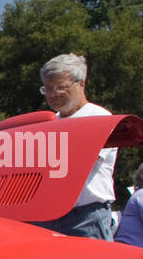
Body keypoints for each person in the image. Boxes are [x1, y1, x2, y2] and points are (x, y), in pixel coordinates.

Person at [37, 53, 116, 240]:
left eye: (60, 87)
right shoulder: (48, 122)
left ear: (81, 84)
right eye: (47, 89)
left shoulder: (99, 118)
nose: (52, 94)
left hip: (85, 217)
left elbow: (81, 159)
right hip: (48, 217)